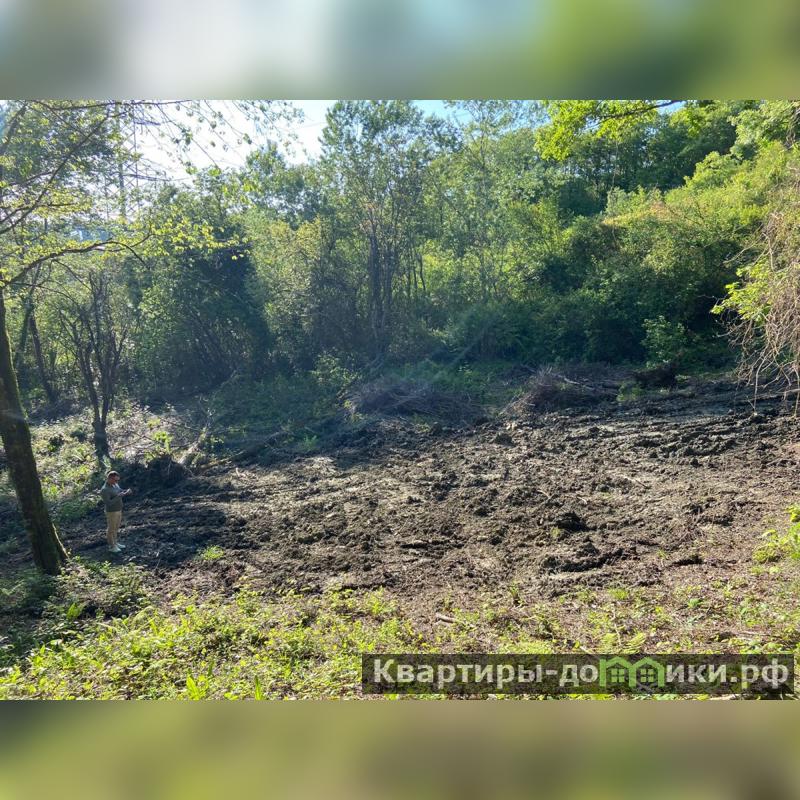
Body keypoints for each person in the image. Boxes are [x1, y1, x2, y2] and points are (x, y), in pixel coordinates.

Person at [100, 470, 131, 553]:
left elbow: (120, 490)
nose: (117, 482)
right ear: (109, 478)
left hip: (119, 510)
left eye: (118, 480)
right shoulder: (105, 490)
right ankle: (112, 546)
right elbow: (108, 503)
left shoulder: (115, 484)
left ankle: (115, 543)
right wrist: (119, 496)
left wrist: (126, 491)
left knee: (116, 528)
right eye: (115, 480)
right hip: (111, 512)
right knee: (111, 529)